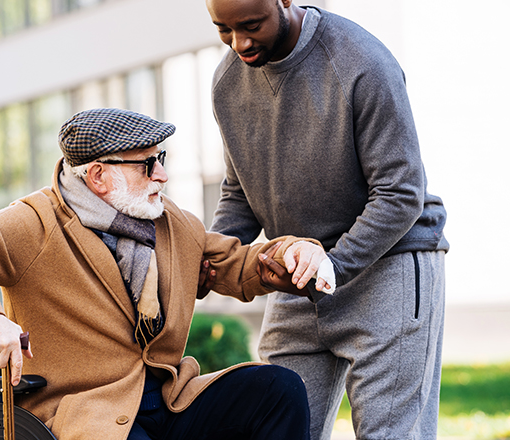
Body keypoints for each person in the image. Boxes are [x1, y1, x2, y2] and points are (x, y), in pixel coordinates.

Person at [0, 107, 335, 440]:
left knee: (278, 390)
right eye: (147, 165)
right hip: (86, 415)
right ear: (98, 176)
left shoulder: (174, 225)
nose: (162, 175)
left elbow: (242, 265)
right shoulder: (35, 224)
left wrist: (294, 250)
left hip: (170, 400)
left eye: (161, 160)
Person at [203, 1, 450, 439]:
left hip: (385, 267)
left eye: (251, 25)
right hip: (296, 274)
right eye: (223, 29)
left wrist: (331, 266)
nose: (239, 42)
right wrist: (207, 257)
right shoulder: (227, 84)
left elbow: (401, 191)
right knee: (273, 428)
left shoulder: (361, 62)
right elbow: (240, 193)